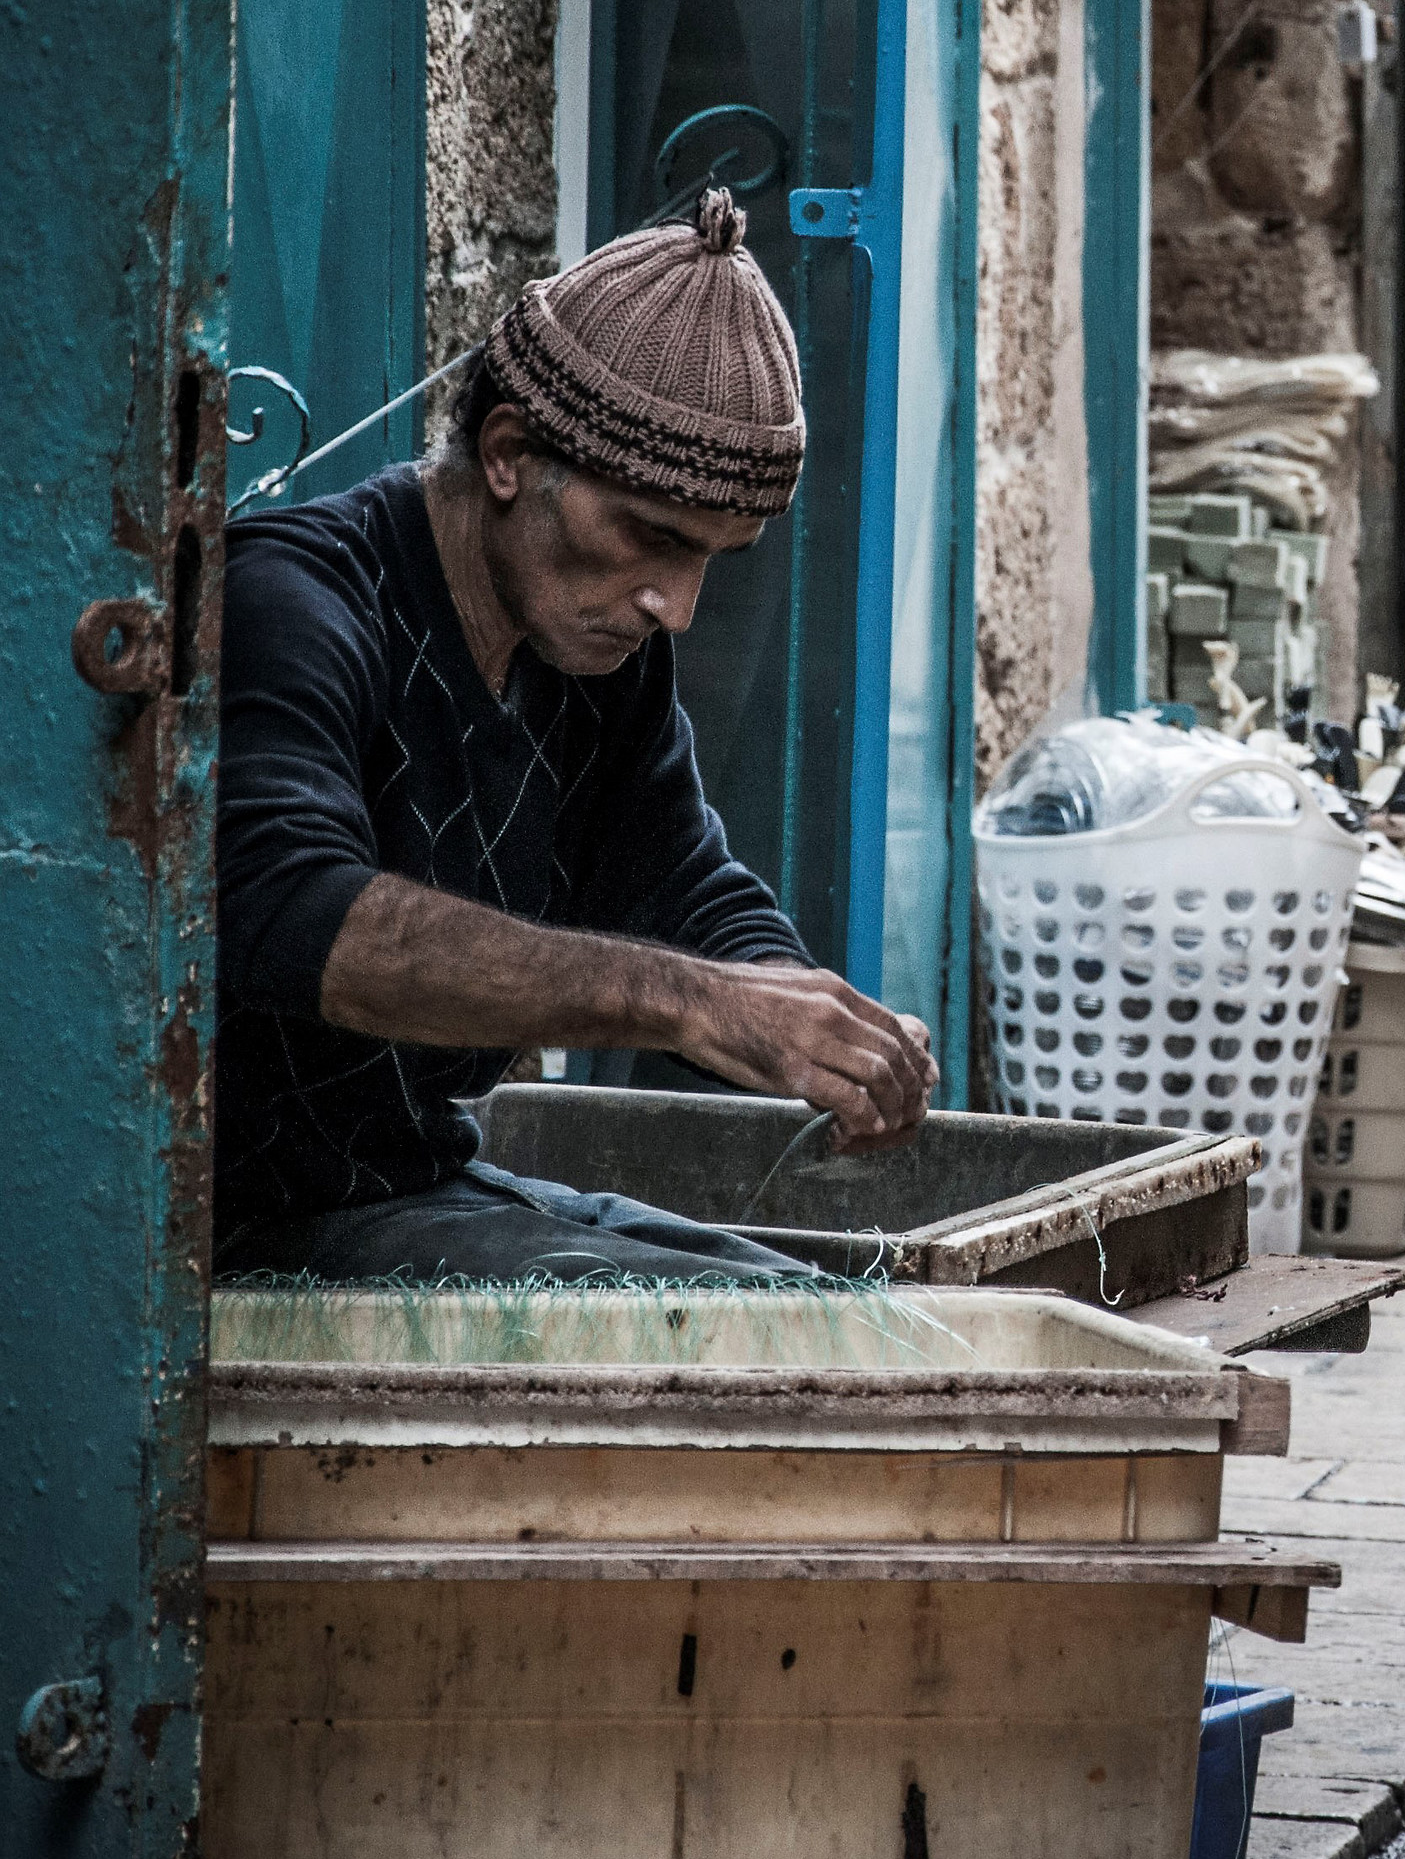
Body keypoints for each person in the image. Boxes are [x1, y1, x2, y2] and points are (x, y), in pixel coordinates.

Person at [213, 187, 937, 1284]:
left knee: (826, 1308)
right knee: (749, 1350)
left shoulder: (596, 657)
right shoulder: (292, 602)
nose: (676, 607)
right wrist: (694, 1003)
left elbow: (679, 881)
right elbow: (289, 911)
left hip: (417, 1181)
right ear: (508, 454)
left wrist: (807, 1023)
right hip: (241, 1224)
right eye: (649, 537)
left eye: (712, 559)